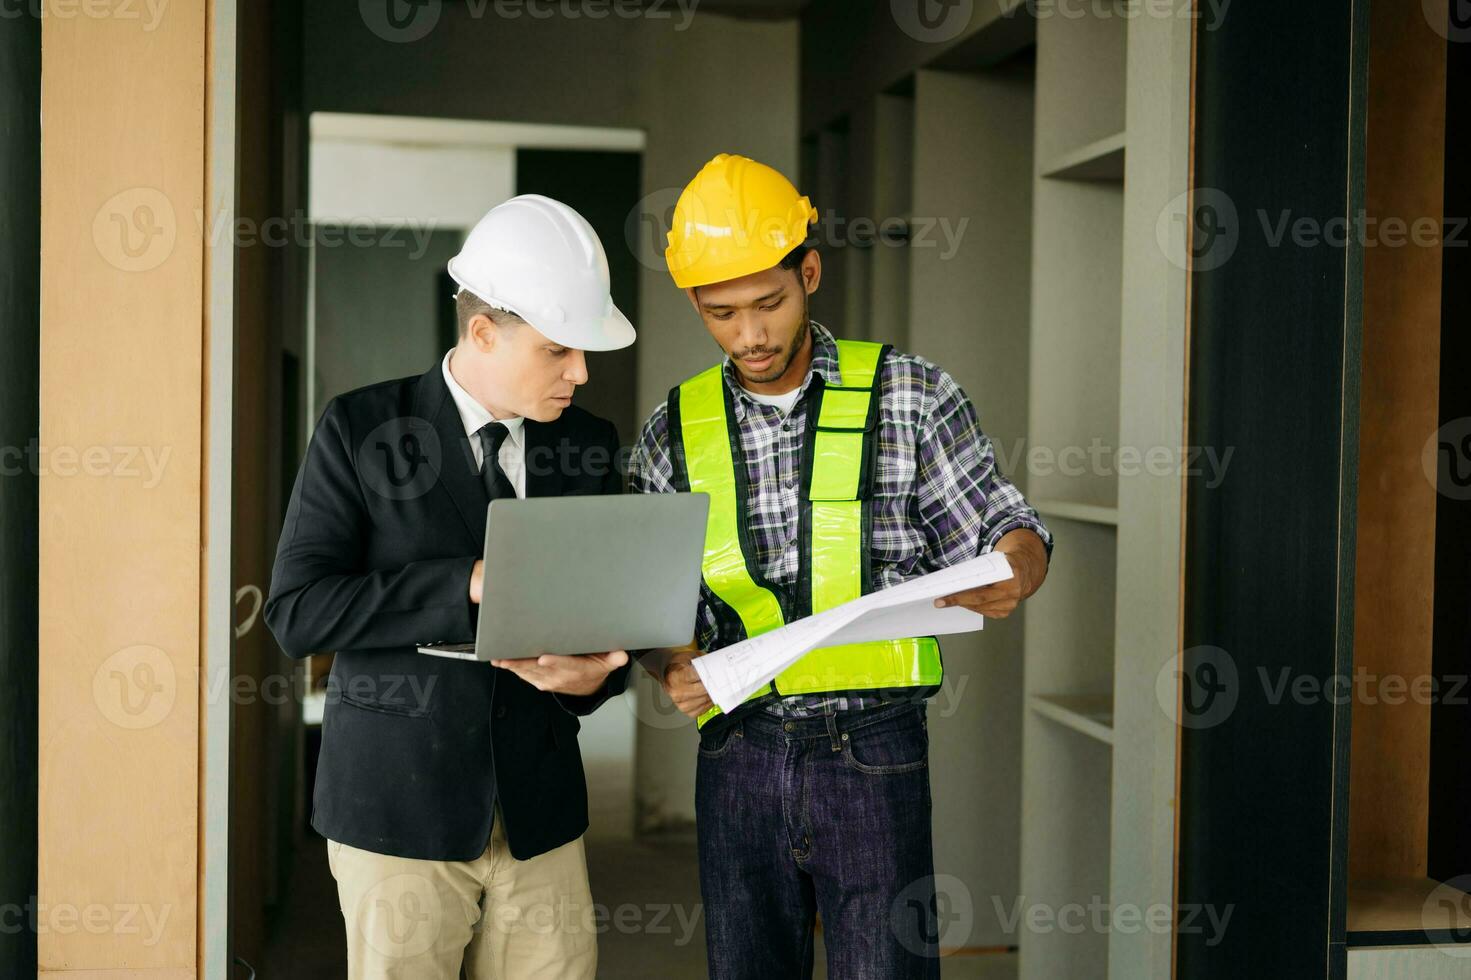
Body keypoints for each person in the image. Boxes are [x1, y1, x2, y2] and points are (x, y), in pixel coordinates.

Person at [628, 154, 1054, 979]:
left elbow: (1004, 523)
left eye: (768, 303)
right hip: (736, 752)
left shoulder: (909, 392)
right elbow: (648, 601)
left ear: (809, 272)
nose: (748, 335)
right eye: (721, 313)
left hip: (872, 750)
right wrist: (664, 659)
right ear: (694, 304)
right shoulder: (672, 429)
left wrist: (1015, 564)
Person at [266, 195, 633, 979]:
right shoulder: (361, 429)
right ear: (482, 333)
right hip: (397, 810)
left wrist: (598, 676)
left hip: (541, 813)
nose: (581, 371)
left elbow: (601, 617)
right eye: (557, 350)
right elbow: (298, 613)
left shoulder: (586, 442)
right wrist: (464, 582)